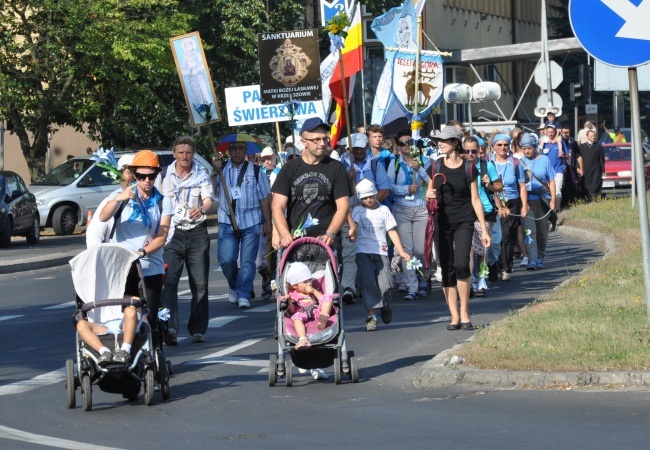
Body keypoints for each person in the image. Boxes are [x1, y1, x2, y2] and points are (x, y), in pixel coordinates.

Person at [99, 150, 173, 350]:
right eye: (141, 176)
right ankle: (129, 354)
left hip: (150, 266)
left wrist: (142, 252)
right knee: (127, 314)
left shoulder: (162, 201)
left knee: (150, 317)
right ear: (134, 174)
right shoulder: (123, 195)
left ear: (157, 175)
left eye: (151, 176)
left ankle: (155, 360)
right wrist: (118, 199)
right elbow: (103, 218)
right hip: (123, 268)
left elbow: (162, 236)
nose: (146, 181)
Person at [427, 126, 490, 331]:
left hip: (464, 221)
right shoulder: (435, 167)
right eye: (439, 140)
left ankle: (465, 313)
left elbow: (475, 199)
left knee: (462, 263)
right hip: (441, 222)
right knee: (447, 268)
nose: (440, 143)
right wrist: (429, 196)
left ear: (455, 143)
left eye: (444, 140)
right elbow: (428, 193)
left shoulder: (469, 167)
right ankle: (454, 316)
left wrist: (484, 229)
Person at [159, 136, 213, 345]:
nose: (184, 156)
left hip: (197, 232)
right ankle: (170, 328)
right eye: (180, 152)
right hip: (172, 233)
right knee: (169, 282)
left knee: (199, 283)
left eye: (188, 152)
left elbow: (208, 199)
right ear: (174, 154)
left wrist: (201, 208)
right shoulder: (164, 174)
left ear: (193, 154)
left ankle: (198, 329)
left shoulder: (201, 173)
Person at [271, 117, 351, 252]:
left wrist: (330, 233)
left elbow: (343, 206)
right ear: (304, 142)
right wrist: (284, 234)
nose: (321, 143)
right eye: (316, 140)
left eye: (324, 138)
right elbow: (277, 206)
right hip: (295, 242)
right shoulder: (289, 169)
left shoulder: (337, 168)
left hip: (326, 243)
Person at [213, 140, 272, 309]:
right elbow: (212, 192)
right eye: (234, 148)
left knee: (247, 261)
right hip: (227, 221)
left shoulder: (256, 170)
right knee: (227, 260)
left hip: (251, 221)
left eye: (240, 148)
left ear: (246, 151)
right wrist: (213, 172)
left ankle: (244, 293)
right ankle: (234, 286)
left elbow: (263, 198)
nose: (237, 152)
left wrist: (268, 222)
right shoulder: (221, 169)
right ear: (228, 151)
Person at [350, 178, 410, 330]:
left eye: (370, 196)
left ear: (376, 194)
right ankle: (371, 316)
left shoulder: (384, 210)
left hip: (381, 252)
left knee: (385, 285)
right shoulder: (358, 210)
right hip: (363, 251)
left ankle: (385, 304)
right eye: (364, 198)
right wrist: (353, 231)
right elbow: (355, 225)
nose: (368, 200)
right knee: (368, 284)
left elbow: (391, 230)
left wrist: (401, 250)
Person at [339, 132, 391, 303]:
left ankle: (369, 285)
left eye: (361, 148)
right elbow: (336, 192)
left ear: (367, 147)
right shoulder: (341, 166)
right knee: (349, 252)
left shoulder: (375, 165)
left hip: (371, 216)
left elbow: (384, 189)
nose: (358, 152)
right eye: (355, 149)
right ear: (349, 149)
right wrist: (346, 180)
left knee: (370, 252)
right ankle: (348, 287)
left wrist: (367, 203)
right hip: (349, 215)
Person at [388, 129, 431, 300]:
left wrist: (419, 168)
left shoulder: (425, 161)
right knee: (407, 250)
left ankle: (424, 277)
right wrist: (405, 189)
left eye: (409, 142)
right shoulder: (395, 163)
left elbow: (431, 181)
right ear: (398, 147)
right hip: (402, 209)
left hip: (421, 209)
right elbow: (389, 186)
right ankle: (411, 287)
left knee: (420, 249)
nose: (406, 146)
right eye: (402, 143)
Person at [464, 136, 502, 297]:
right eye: (467, 151)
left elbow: (499, 186)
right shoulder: (460, 166)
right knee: (469, 249)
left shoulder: (486, 166)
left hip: (485, 211)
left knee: (482, 250)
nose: (471, 154)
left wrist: (489, 185)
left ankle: (482, 280)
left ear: (479, 150)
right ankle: (471, 283)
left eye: (474, 151)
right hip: (465, 211)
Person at [491, 133, 529, 280]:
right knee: (496, 236)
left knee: (508, 235)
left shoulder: (515, 163)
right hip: (493, 200)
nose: (502, 147)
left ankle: (505, 267)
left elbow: (522, 185)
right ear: (493, 146)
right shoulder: (489, 163)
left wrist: (524, 205)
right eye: (499, 145)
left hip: (512, 201)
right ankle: (493, 264)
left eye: (505, 145)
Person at [519, 133, 556, 270]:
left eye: (529, 148)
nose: (527, 151)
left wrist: (553, 200)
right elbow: (521, 185)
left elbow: (551, 181)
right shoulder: (520, 162)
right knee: (528, 231)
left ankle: (541, 256)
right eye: (524, 148)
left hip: (542, 200)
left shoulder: (544, 160)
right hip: (527, 200)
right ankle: (532, 259)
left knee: (542, 231)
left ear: (535, 147)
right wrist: (524, 204)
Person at [282, 262, 334, 350]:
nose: (309, 283)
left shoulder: (313, 291)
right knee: (296, 319)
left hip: (316, 311)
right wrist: (289, 300)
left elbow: (322, 298)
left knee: (328, 298)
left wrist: (314, 291)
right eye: (305, 282)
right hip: (301, 313)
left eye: (310, 280)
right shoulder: (293, 295)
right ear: (295, 285)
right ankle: (303, 339)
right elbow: (291, 310)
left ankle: (323, 317)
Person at [86, 155, 135, 248]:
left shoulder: (148, 200)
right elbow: (95, 231)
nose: (133, 177)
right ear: (119, 175)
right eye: (129, 172)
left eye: (136, 172)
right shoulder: (111, 200)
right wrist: (98, 253)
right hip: (117, 256)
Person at [576, 129, 606, 202]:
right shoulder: (582, 147)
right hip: (586, 168)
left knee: (595, 183)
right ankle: (587, 198)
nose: (593, 137)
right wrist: (578, 167)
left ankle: (594, 198)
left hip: (596, 168)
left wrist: (602, 170)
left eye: (594, 136)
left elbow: (601, 159)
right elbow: (578, 157)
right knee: (587, 184)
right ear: (587, 137)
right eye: (591, 136)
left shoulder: (598, 146)